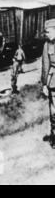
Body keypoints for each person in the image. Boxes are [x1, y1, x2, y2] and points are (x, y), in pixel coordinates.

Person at [42, 19, 55, 148]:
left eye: (48, 31)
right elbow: (45, 65)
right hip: (53, 82)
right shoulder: (47, 45)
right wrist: (44, 84)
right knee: (53, 112)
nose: (46, 34)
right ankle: (54, 136)